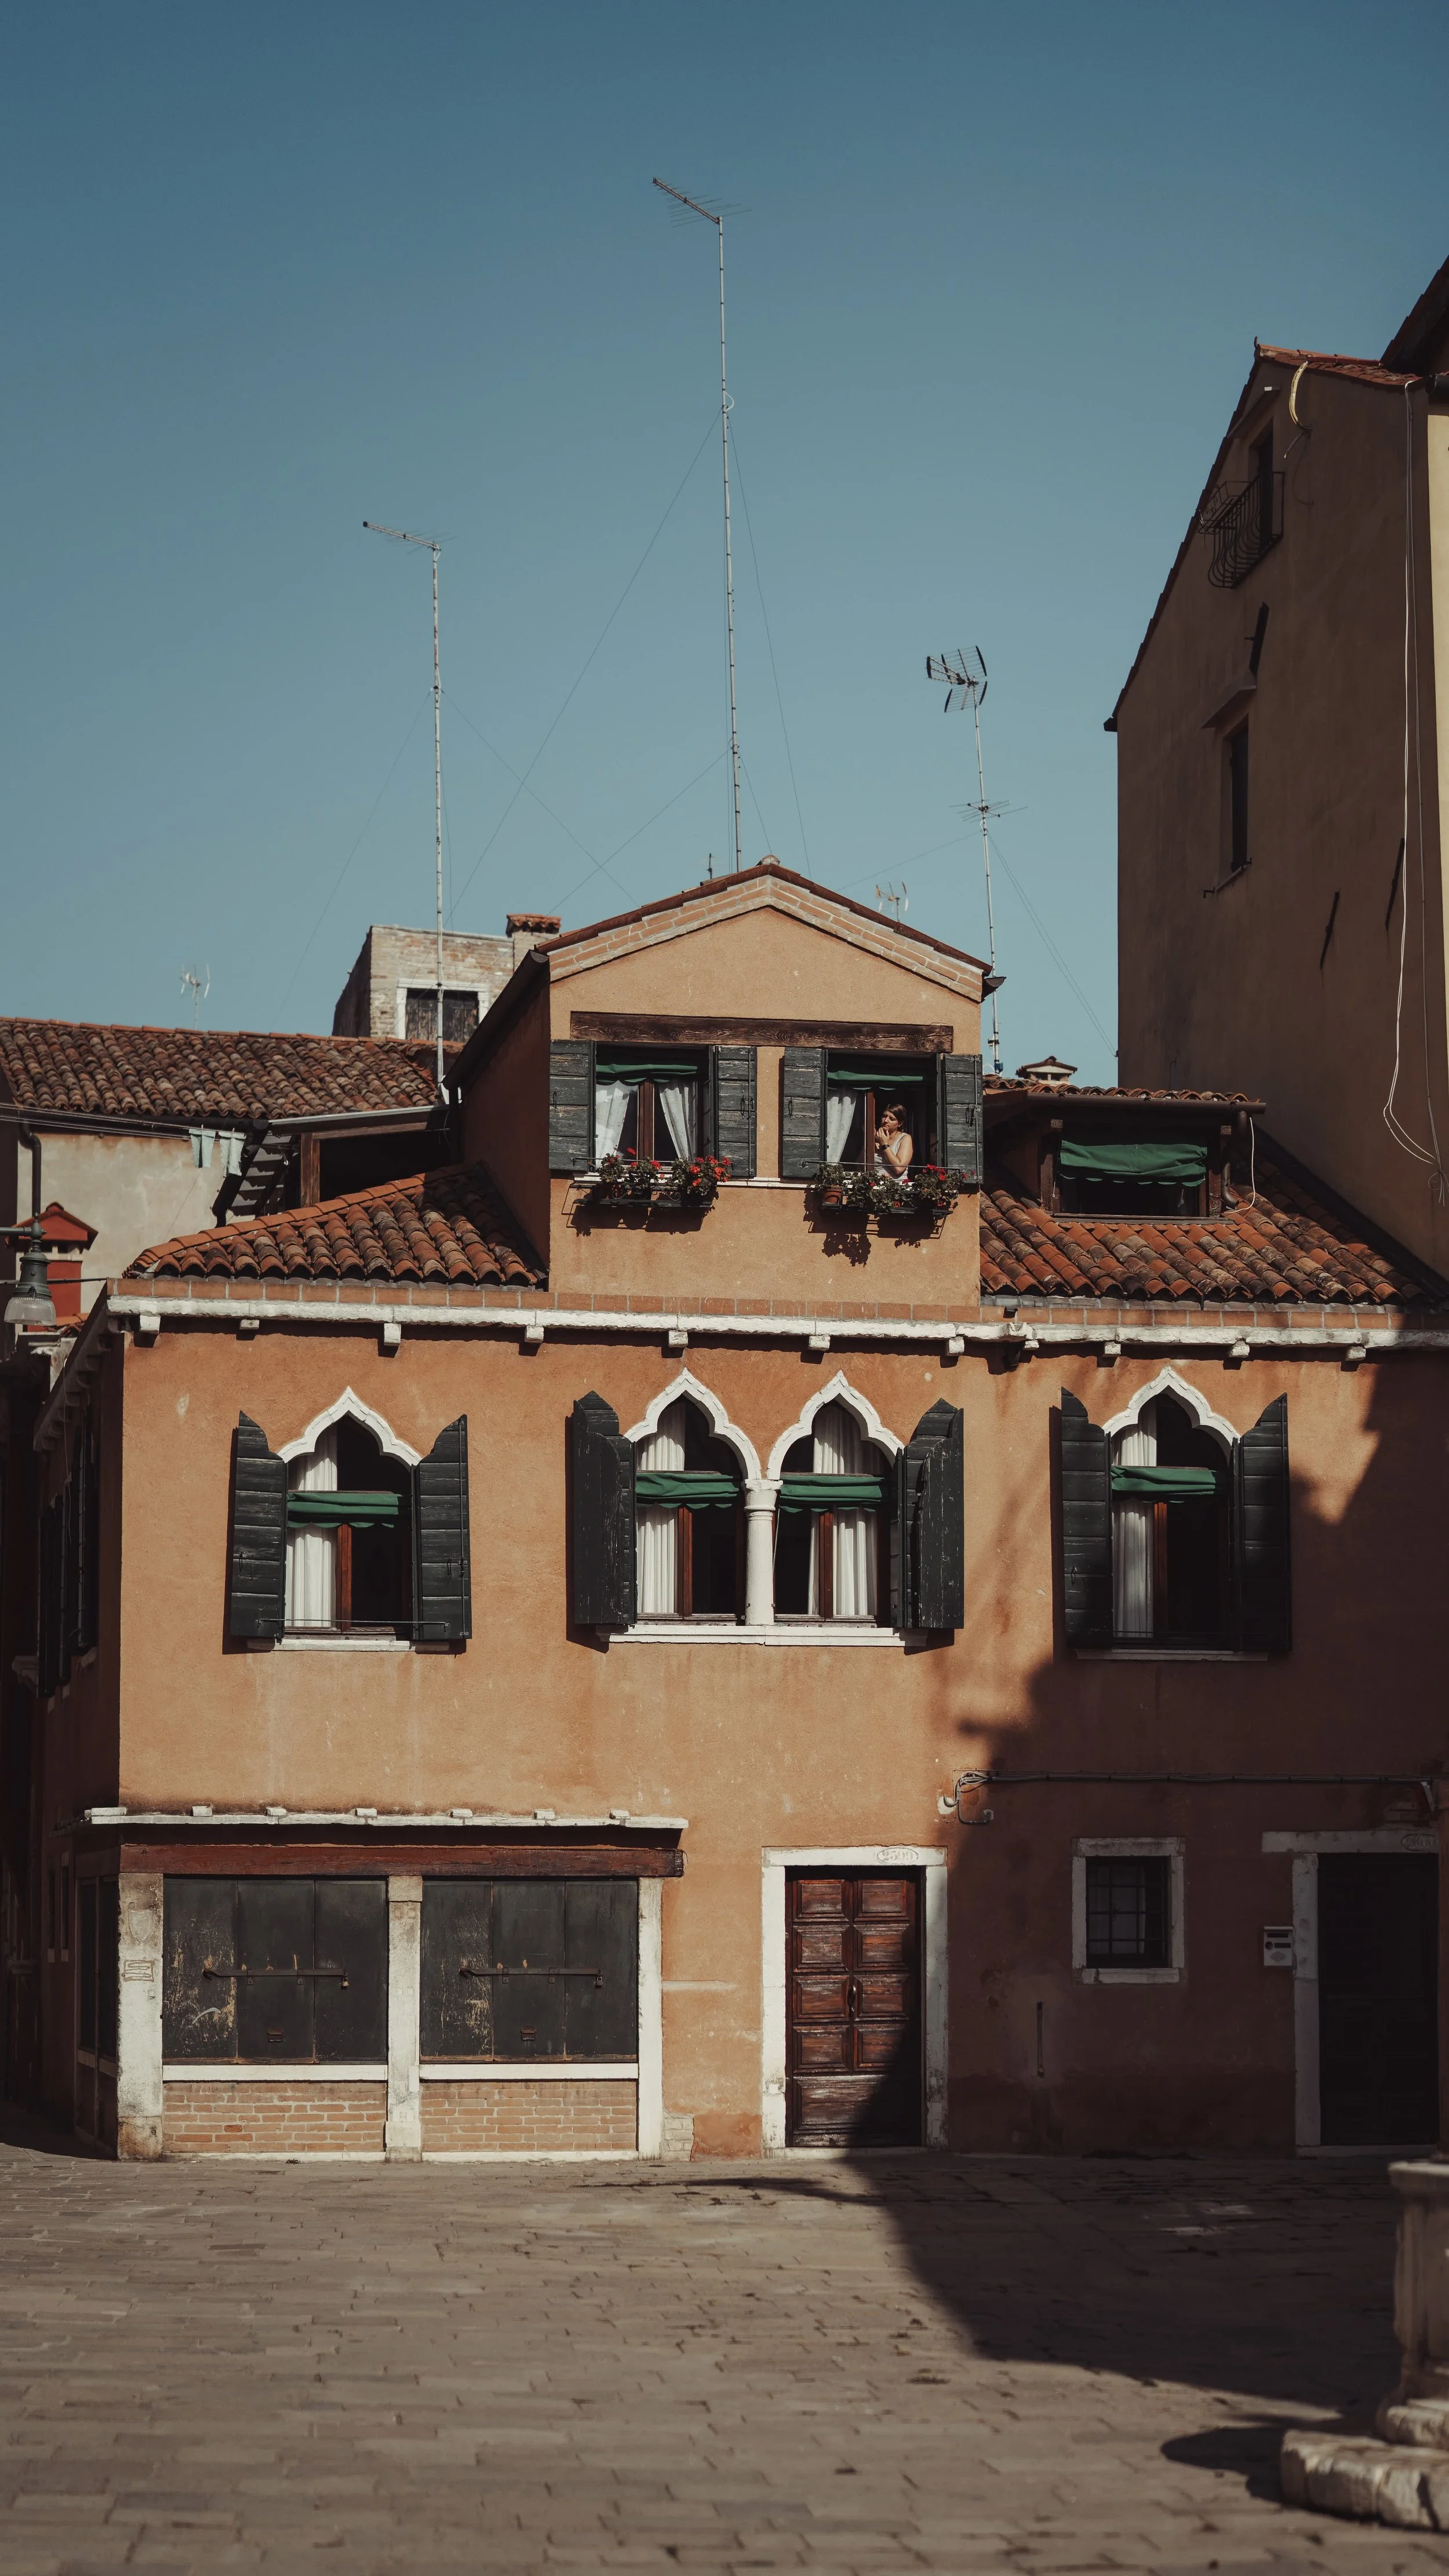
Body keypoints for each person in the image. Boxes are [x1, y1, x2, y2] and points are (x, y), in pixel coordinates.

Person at [873, 1103, 914, 1178]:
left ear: (900, 1124)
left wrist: (884, 1145)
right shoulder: (873, 1138)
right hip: (874, 1185)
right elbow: (860, 1165)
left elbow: (899, 1169)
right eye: (884, 1116)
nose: (886, 1121)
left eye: (892, 1119)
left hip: (895, 1187)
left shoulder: (905, 1138)